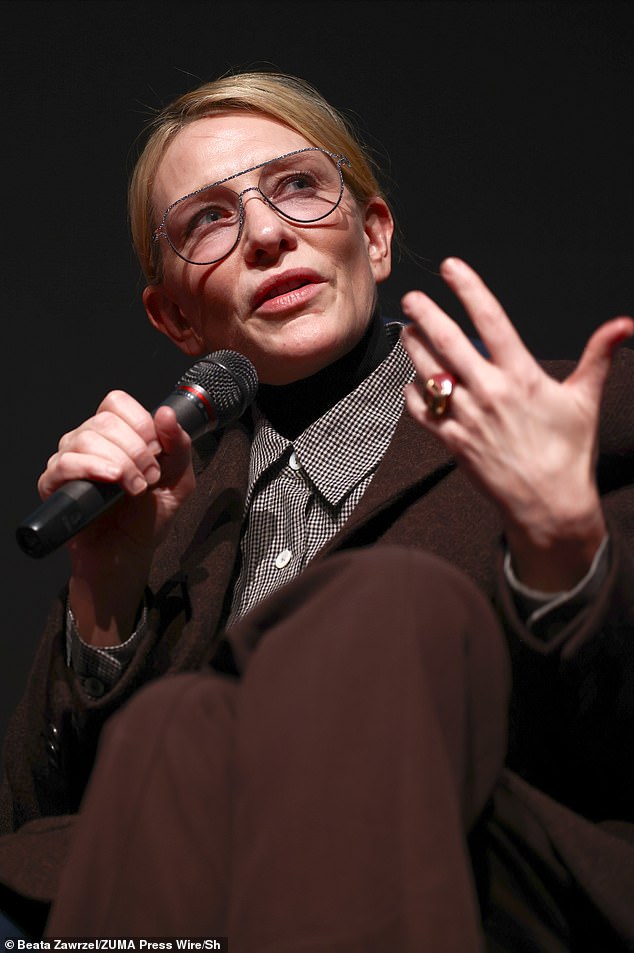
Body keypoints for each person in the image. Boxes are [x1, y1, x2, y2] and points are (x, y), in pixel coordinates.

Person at [0, 70, 633, 951]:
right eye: (209, 219)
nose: (264, 233)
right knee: (171, 727)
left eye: (298, 185)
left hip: (493, 895)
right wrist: (106, 598)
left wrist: (568, 553)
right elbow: (37, 839)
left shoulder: (567, 422)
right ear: (176, 318)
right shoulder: (161, 519)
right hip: (194, 917)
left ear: (373, 238)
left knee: (384, 605)